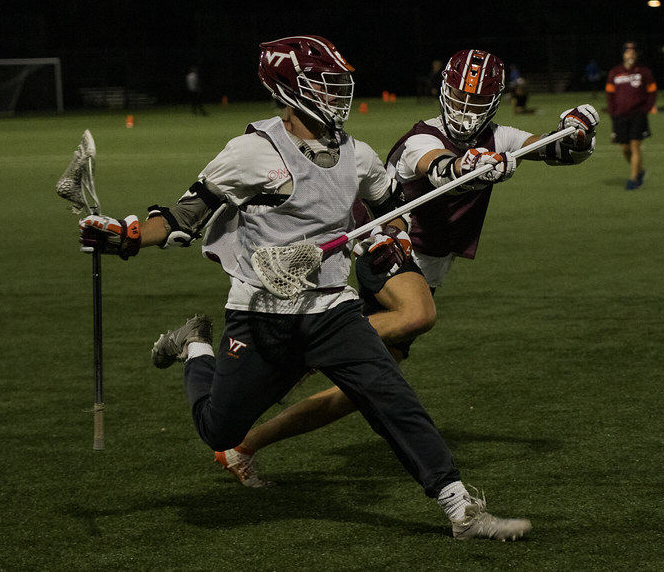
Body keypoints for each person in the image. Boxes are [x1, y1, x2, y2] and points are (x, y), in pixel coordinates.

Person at [78, 35, 531, 541]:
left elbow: (389, 209)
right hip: (261, 311)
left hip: (331, 309)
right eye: (324, 85)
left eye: (339, 85)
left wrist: (391, 237)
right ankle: (195, 345)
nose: (337, 95)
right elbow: (183, 218)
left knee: (390, 395)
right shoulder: (252, 152)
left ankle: (460, 509)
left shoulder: (357, 155)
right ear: (287, 90)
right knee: (219, 430)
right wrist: (126, 236)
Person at [212, 47, 598, 490]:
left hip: (428, 267)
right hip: (389, 245)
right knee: (418, 315)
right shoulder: (422, 138)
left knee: (357, 392)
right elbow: (440, 169)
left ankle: (242, 447)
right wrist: (470, 164)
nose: (467, 111)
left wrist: (576, 134)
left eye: (477, 102)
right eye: (460, 98)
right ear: (444, 92)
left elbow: (551, 149)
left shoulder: (500, 136)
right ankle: (318, 341)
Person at [605, 42, 656, 190]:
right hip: (619, 116)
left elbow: (652, 92)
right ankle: (639, 171)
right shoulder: (615, 72)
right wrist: (612, 112)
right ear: (623, 55)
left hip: (638, 115)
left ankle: (634, 180)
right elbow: (610, 95)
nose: (630, 55)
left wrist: (646, 109)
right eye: (628, 52)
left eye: (633, 52)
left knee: (635, 146)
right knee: (625, 148)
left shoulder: (644, 72)